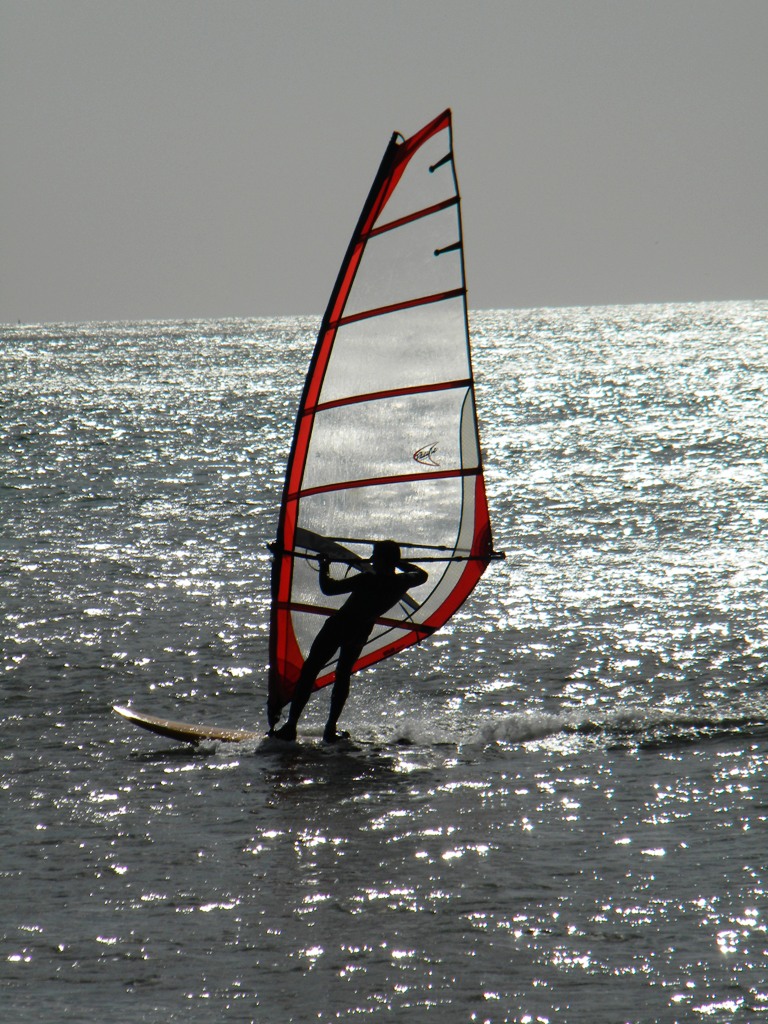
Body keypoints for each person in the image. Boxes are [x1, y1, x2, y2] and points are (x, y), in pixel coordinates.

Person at [272, 540, 428, 743]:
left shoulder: (368, 580)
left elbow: (328, 588)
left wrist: (324, 566)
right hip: (360, 632)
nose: (371, 559)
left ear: (380, 559)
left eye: (374, 556)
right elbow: (423, 574)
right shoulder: (403, 581)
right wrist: (399, 563)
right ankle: (330, 730)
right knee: (343, 675)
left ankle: (291, 726)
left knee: (310, 670)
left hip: (339, 626)